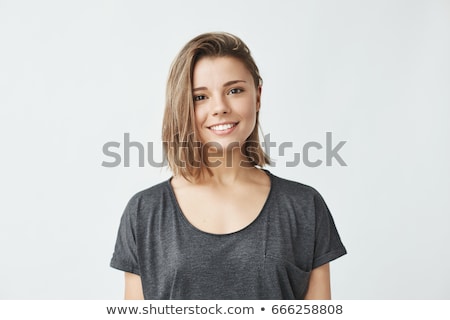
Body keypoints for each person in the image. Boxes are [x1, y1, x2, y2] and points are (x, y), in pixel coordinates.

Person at [110, 32, 347, 300]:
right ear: (182, 106)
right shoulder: (145, 212)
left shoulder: (304, 206)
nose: (220, 107)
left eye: (234, 90)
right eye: (200, 97)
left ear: (257, 96)